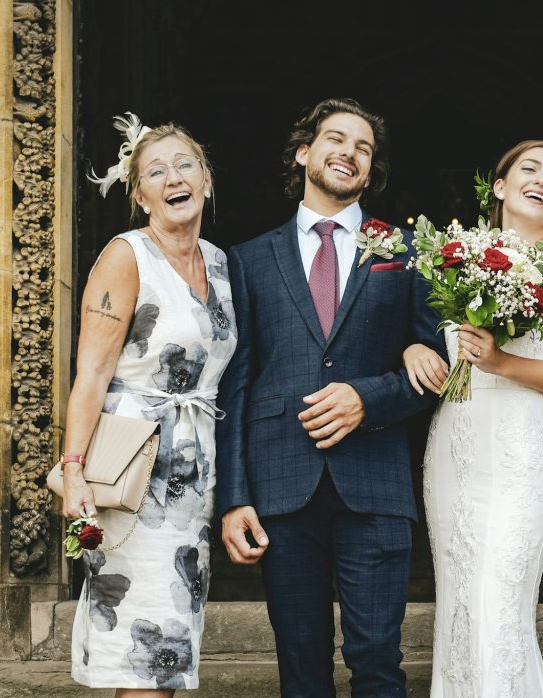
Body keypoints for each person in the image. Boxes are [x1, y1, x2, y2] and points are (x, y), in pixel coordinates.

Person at [215, 98, 445, 697]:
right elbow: (236, 383)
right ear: (304, 152)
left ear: (371, 171)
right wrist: (234, 497)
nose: (349, 153)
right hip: (280, 487)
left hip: (375, 483)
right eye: (336, 139)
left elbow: (439, 367)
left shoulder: (404, 250)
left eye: (363, 148)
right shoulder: (249, 258)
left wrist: (369, 398)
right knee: (301, 668)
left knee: (377, 662)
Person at [404, 140, 543, 696]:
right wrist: (410, 351)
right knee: (459, 612)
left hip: (519, 452)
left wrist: (501, 361)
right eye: (530, 169)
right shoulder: (454, 256)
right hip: (454, 450)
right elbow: (423, 337)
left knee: (499, 613)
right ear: (499, 186)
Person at [62, 115, 236, 694]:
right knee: (143, 652)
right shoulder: (126, 256)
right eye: (155, 171)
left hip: (193, 480)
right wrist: (74, 470)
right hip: (136, 474)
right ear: (140, 195)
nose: (173, 178)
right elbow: (91, 374)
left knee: (171, 655)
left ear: (206, 179)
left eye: (185, 165)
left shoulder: (219, 263)